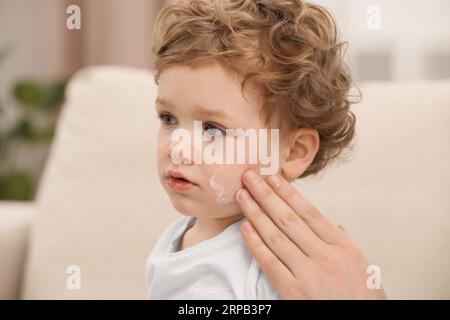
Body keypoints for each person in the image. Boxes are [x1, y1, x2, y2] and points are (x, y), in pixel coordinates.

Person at [146, 0, 386, 299]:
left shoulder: (278, 264)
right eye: (169, 119)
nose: (177, 148)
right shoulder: (176, 238)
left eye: (212, 129)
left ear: (294, 151)